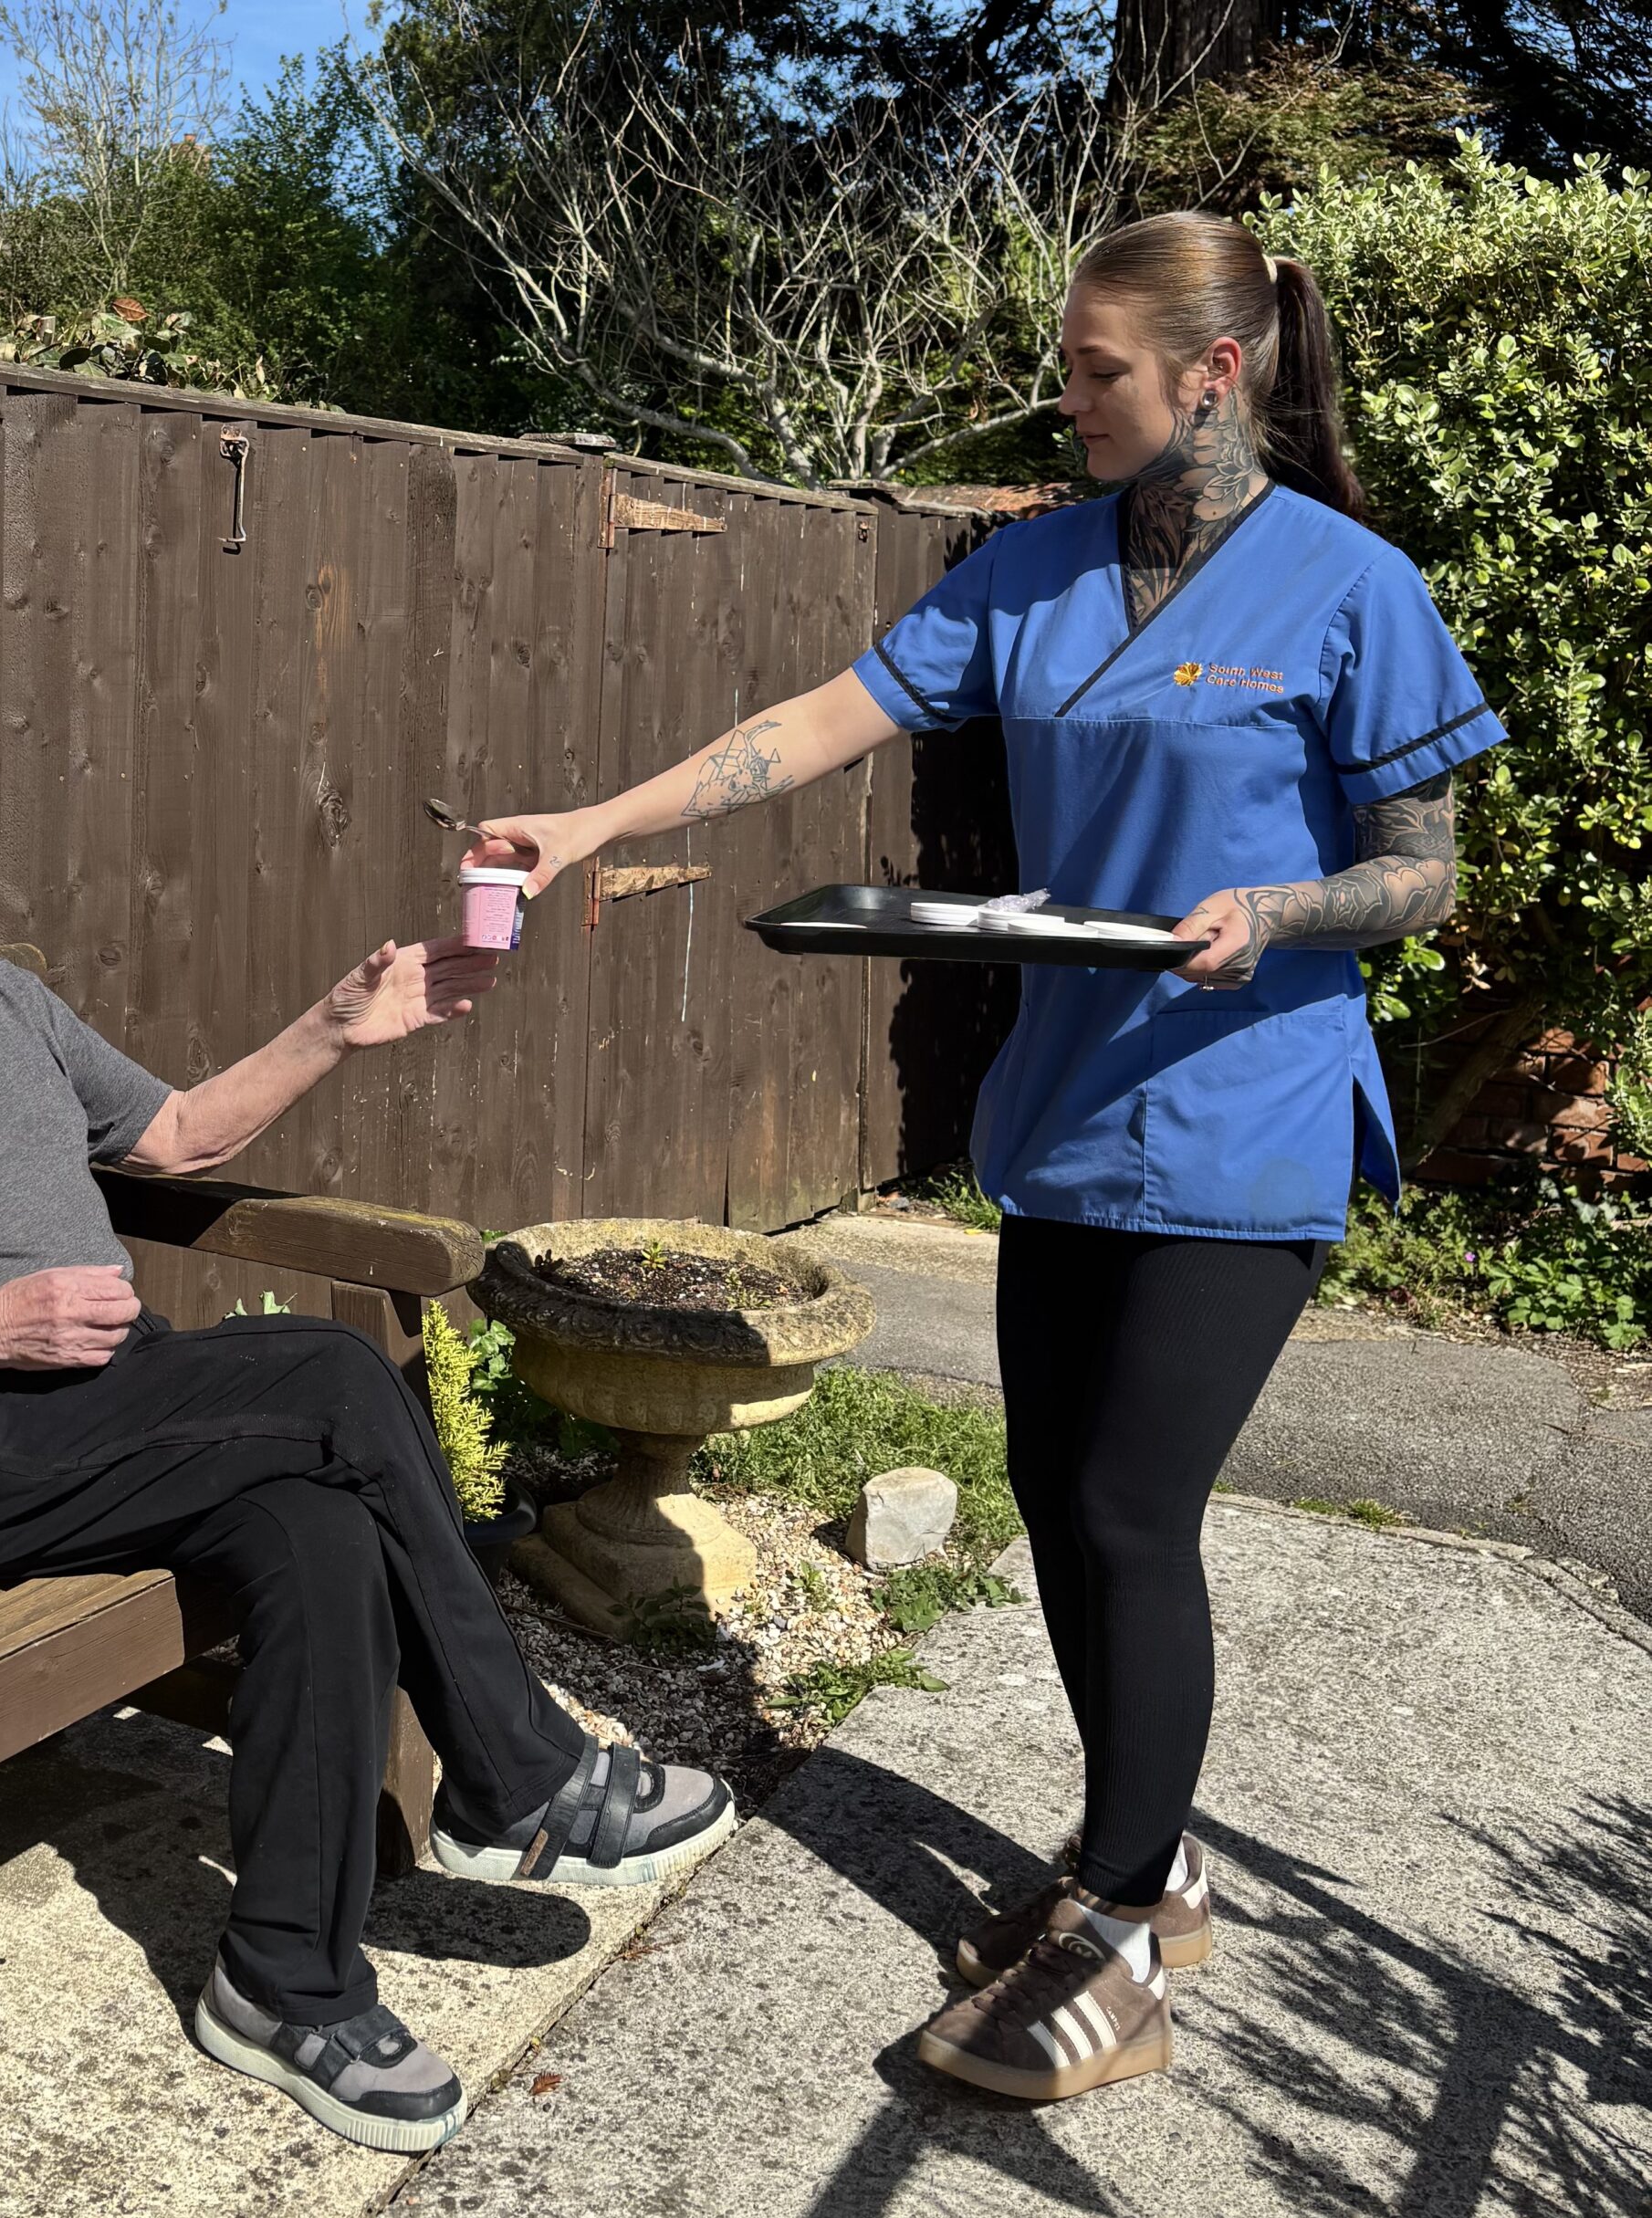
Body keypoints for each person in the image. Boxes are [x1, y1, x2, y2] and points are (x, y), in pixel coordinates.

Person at [469, 212, 1503, 2104]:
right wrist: (595, 823)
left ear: (1214, 374)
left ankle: (1114, 1932)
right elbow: (812, 723)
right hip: (1069, 1112)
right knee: (1054, 1492)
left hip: (1246, 1112)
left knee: (1128, 1510)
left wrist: (1279, 906)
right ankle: (1158, 1853)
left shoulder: (1352, 588)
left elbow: (1425, 875)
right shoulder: (1030, 570)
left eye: (1101, 370)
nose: (1070, 396)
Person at [0, 716, 734, 2154]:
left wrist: (331, 1028)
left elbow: (172, 1137)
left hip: (99, 1400)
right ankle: (519, 1771)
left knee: (318, 1529)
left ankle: (282, 1983)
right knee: (338, 1380)